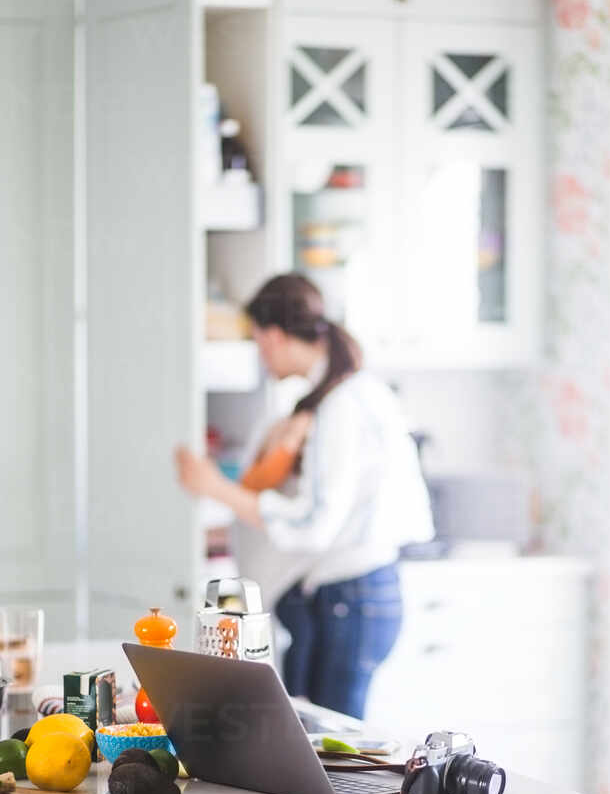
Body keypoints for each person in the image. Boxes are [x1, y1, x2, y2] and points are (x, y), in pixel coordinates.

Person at [176, 273, 433, 719]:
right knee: (316, 744)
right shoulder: (352, 393)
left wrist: (216, 488)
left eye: (258, 342)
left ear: (274, 336)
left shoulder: (341, 407)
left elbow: (314, 525)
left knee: (334, 757)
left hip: (350, 598)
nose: (261, 355)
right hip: (357, 595)